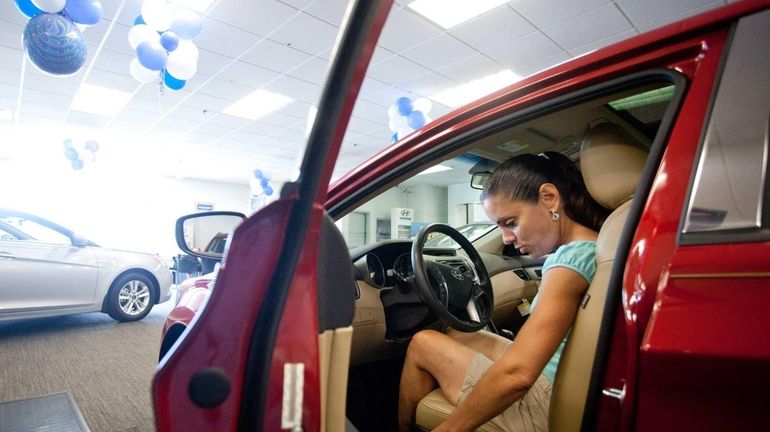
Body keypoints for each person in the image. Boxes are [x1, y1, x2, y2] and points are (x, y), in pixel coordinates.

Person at [397, 151, 610, 432]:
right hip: (563, 380)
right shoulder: (593, 244)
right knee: (458, 334)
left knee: (423, 342)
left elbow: (519, 374)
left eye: (510, 223)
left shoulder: (568, 262)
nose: (507, 239)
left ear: (549, 198)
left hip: (545, 403)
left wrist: (449, 429)